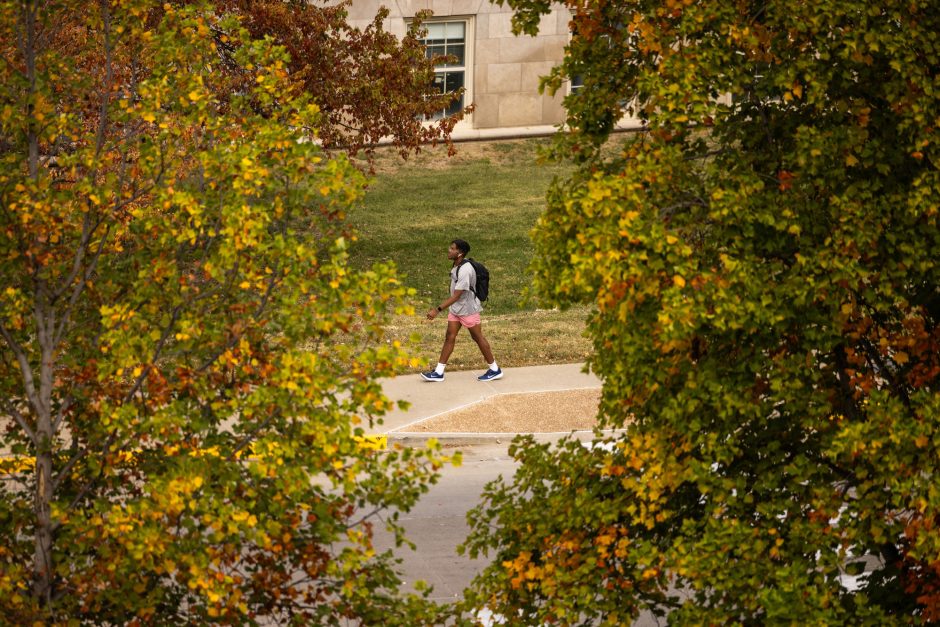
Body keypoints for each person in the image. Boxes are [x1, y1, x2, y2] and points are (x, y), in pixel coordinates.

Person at [421, 238, 502, 382]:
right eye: (450, 247)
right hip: (456, 310)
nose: (449, 250)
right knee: (449, 337)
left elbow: (457, 295)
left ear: (460, 253)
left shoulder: (465, 269)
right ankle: (439, 372)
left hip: (468, 310)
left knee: (478, 337)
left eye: (452, 248)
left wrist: (437, 310)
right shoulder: (457, 264)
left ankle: (495, 369)